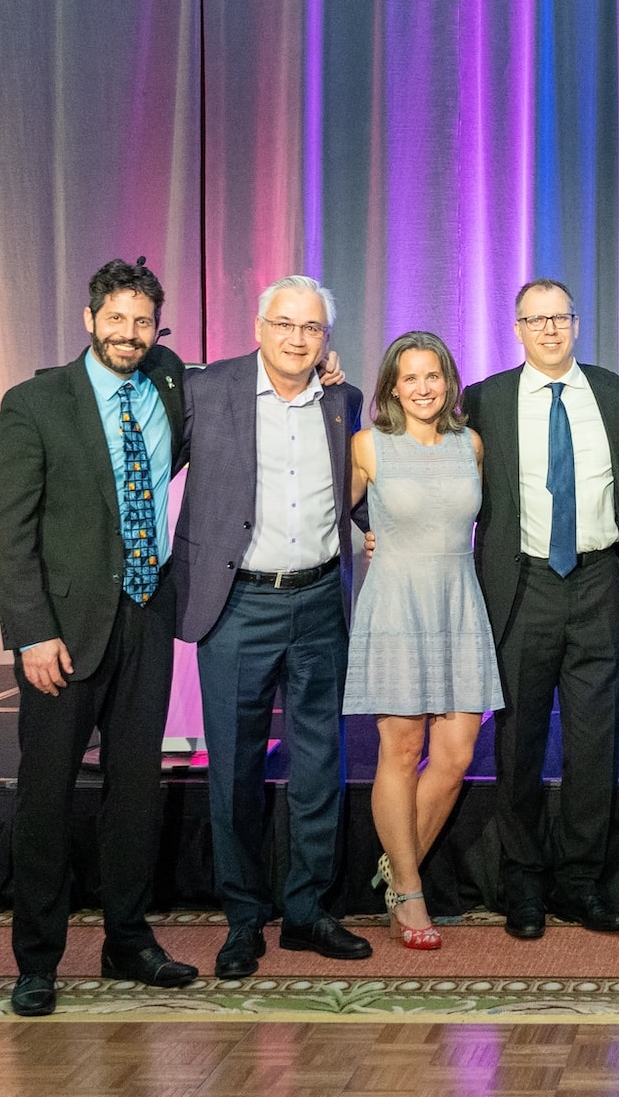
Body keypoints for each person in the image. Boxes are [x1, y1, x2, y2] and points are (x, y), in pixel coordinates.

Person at [0, 259, 198, 1016]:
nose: (130, 335)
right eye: (117, 320)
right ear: (90, 318)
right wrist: (31, 633)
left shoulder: (169, 379)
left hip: (147, 615)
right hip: (64, 635)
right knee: (46, 797)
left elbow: (225, 390)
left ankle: (127, 942)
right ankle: (36, 961)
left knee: (136, 791)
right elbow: (6, 533)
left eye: (143, 323)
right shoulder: (36, 402)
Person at [173, 275, 370, 979]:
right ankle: (244, 919)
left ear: (326, 341)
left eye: (311, 328)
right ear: (259, 327)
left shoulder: (343, 402)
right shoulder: (206, 390)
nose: (296, 338)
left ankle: (309, 910)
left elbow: (362, 495)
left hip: (319, 603)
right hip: (237, 604)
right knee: (234, 770)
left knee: (320, 767)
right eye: (284, 324)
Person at [464, 278, 619, 939]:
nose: (549, 330)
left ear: (576, 321)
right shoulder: (485, 399)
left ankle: (580, 884)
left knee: (595, 743)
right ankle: (524, 884)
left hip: (597, 582)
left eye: (559, 317)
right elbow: (427, 456)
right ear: (517, 329)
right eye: (535, 320)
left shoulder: (616, 394)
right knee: (519, 742)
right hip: (523, 585)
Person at [344, 331, 504, 950]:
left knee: (458, 753)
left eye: (432, 375)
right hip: (396, 606)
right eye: (408, 378)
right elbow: (332, 517)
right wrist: (366, 537)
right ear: (391, 387)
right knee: (401, 749)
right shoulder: (369, 446)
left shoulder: (472, 444)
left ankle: (394, 865)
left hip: (458, 604)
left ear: (449, 381)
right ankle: (408, 892)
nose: (422, 388)